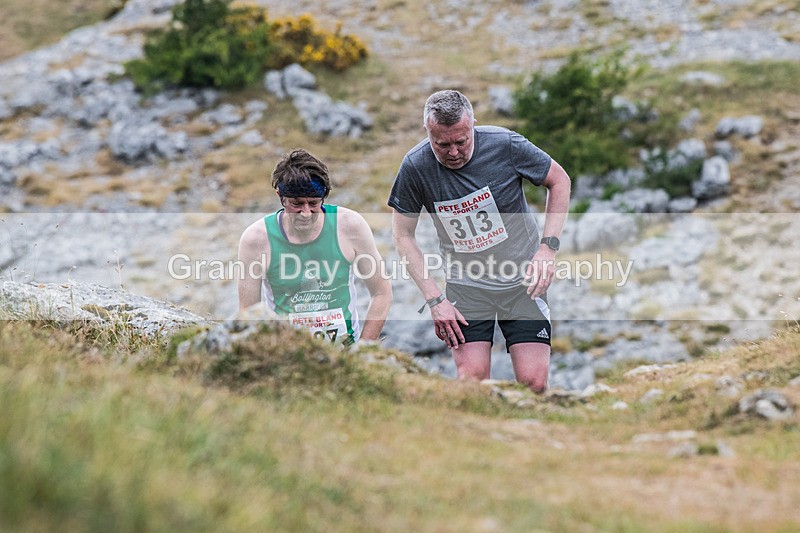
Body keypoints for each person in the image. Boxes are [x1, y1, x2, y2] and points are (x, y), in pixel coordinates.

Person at [389, 90, 571, 392]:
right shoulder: (415, 166)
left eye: (462, 141)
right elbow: (403, 235)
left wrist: (547, 249)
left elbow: (559, 180)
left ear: (473, 124)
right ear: (427, 131)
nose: (453, 152)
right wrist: (435, 301)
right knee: (472, 383)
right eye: (442, 144)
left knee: (534, 385)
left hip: (523, 283)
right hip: (467, 287)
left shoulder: (505, 145)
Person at [238, 148, 391, 347]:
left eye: (313, 203)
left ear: (324, 198)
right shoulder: (255, 240)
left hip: (345, 354)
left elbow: (382, 292)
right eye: (296, 204)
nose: (306, 213)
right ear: (280, 197)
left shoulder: (350, 226)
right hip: (287, 356)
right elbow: (249, 315)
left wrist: (363, 349)